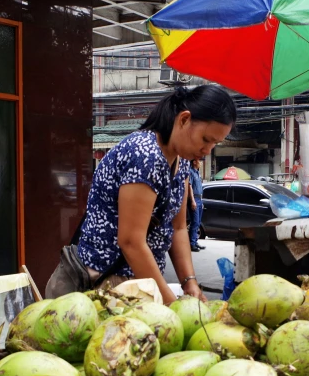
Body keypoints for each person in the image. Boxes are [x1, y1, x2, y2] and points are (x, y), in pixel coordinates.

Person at [45, 85, 236, 304]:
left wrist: (190, 283)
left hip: (140, 283)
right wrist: (170, 305)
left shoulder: (181, 161)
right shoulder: (144, 155)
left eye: (215, 143)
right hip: (104, 284)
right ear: (184, 119)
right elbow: (131, 242)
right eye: (205, 139)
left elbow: (179, 227)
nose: (208, 150)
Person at [188, 159, 206, 252]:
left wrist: (201, 201)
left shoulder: (197, 173)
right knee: (194, 222)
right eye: (199, 160)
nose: (201, 162)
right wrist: (192, 200)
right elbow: (189, 186)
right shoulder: (190, 172)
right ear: (194, 162)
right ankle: (191, 243)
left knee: (198, 222)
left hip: (199, 199)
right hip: (194, 198)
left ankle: (195, 241)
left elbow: (200, 188)